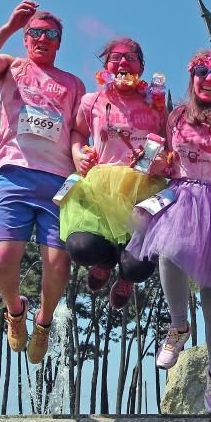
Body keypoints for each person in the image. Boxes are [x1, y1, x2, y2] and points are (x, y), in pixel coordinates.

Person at [126, 50, 211, 413]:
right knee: (168, 254)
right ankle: (179, 325)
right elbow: (167, 158)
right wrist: (151, 160)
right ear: (193, 76)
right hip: (182, 196)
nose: (209, 79)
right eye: (202, 72)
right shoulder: (177, 116)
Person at [0, 0, 85, 363]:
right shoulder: (12, 67)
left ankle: (45, 321)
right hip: (14, 174)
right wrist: (8, 25)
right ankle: (15, 311)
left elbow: (81, 129)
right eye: (35, 32)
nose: (42, 38)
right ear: (25, 37)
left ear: (59, 43)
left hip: (58, 182)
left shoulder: (73, 84)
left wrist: (84, 155)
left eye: (51, 34)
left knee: (58, 266)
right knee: (1, 260)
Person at [60, 38, 168, 309]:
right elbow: (77, 132)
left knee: (138, 268)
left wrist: (158, 161)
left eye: (131, 57)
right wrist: (78, 155)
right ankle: (106, 261)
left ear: (142, 66)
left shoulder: (156, 103)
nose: (123, 63)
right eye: (116, 57)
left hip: (143, 189)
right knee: (81, 248)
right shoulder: (92, 100)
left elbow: (169, 142)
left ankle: (126, 277)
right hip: (99, 188)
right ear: (106, 66)